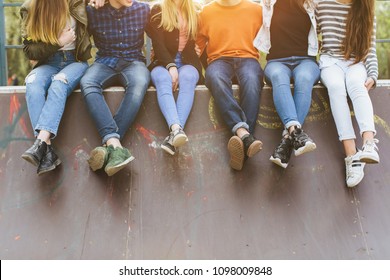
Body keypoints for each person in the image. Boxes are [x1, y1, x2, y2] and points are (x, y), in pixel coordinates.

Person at [20, 0, 91, 175]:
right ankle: (48, 152)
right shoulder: (30, 7)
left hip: (75, 61)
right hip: (48, 62)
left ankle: (40, 142)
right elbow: (30, 50)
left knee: (59, 83)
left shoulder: (79, 2)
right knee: (32, 82)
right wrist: (59, 42)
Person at [80, 0, 150, 176]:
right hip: (105, 61)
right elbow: (72, 9)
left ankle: (108, 147)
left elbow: (165, 10)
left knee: (139, 83)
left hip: (134, 62)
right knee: (87, 82)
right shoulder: (92, 11)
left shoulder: (143, 9)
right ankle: (116, 145)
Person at [316, 0, 379, 187]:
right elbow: (309, 32)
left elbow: (370, 48)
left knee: (356, 84)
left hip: (355, 62)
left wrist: (373, 75)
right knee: (336, 87)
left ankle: (369, 143)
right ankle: (352, 156)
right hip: (329, 61)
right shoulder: (322, 4)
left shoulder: (365, 7)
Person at [196, 0, 264, 171]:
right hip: (219, 60)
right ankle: (245, 135)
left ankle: (242, 142)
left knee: (251, 80)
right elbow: (197, 46)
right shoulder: (206, 12)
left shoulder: (257, 10)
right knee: (215, 77)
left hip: (248, 58)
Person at [253, 0, 319, 169]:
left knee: (304, 79)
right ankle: (296, 132)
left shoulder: (311, 3)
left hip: (306, 61)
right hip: (276, 61)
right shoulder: (267, 3)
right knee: (277, 76)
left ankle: (287, 141)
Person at [148, 0, 202, 155]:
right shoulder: (158, 9)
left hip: (187, 62)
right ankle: (176, 130)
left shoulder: (196, 9)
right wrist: (171, 66)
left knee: (188, 78)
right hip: (162, 61)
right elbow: (158, 45)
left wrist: (200, 50)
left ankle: (175, 134)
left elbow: (206, 35)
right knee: (163, 79)